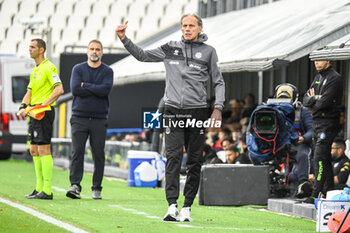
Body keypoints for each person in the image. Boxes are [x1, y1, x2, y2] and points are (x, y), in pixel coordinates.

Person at [116, 13, 225, 222]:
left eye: (191, 25)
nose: (187, 29)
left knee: (194, 161)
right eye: (184, 25)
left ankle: (187, 208)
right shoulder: (170, 48)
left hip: (198, 111)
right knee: (173, 157)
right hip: (173, 110)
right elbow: (142, 55)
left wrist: (218, 108)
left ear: (200, 28)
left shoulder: (209, 52)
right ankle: (172, 205)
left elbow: (219, 82)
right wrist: (124, 39)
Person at [66, 40, 113, 200]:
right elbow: (75, 89)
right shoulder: (78, 69)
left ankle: (96, 187)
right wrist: (94, 88)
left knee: (98, 154)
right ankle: (75, 185)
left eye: (98, 49)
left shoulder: (108, 71)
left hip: (99, 119)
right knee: (77, 152)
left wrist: (86, 85)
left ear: (102, 52)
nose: (94, 52)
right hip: (79, 117)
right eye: (92, 49)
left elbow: (105, 90)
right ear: (87, 51)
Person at [18, 38, 64, 199]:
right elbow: (29, 92)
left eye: (32, 47)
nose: (29, 49)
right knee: (34, 149)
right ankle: (39, 188)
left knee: (44, 149)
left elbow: (59, 89)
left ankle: (47, 190)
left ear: (41, 50)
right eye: (29, 47)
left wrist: (43, 105)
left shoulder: (49, 67)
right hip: (34, 113)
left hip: (43, 113)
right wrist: (23, 106)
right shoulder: (36, 70)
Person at [303, 60, 343, 203]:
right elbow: (305, 100)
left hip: (328, 124)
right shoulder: (318, 77)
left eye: (319, 60)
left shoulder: (335, 78)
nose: (316, 63)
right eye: (314, 60)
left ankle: (315, 194)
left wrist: (315, 101)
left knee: (319, 157)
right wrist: (315, 98)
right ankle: (329, 192)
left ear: (328, 60)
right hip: (317, 123)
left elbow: (322, 103)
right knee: (322, 158)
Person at [274, 83, 313, 198]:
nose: (284, 101)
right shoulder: (271, 111)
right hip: (278, 144)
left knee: (302, 154)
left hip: (297, 144)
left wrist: (303, 138)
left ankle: (303, 184)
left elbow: (312, 130)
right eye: (281, 98)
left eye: (286, 98)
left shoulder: (303, 111)